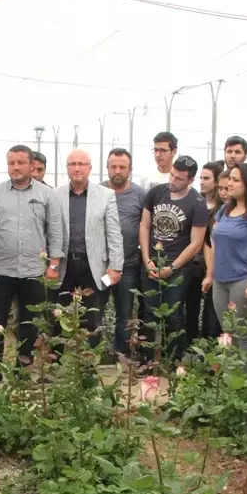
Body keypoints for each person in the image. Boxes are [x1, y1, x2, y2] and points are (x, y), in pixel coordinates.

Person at [0, 145, 62, 389]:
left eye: (20, 163)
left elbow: (55, 232)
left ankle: (22, 376)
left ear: (31, 165)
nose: (15, 167)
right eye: (11, 163)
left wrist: (53, 264)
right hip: (0, 271)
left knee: (29, 327)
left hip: (34, 271)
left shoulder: (47, 195)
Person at [139, 155, 207, 363]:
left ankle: (174, 360)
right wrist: (146, 258)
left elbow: (196, 242)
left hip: (177, 268)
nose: (173, 181)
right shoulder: (155, 193)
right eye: (172, 175)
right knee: (149, 313)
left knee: (174, 315)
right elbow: (144, 225)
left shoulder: (197, 203)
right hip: (152, 262)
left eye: (179, 178)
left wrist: (173, 267)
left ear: (190, 181)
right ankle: (147, 360)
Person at [50, 150, 122, 344]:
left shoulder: (106, 196)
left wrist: (115, 266)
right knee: (58, 319)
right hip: (64, 266)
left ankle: (89, 370)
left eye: (81, 164)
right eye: (72, 164)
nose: (77, 168)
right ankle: (57, 369)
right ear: (67, 169)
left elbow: (114, 234)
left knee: (92, 320)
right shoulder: (55, 195)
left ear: (90, 168)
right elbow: (50, 231)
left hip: (95, 268)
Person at [204, 163, 247, 351]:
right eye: (230, 179)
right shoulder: (225, 210)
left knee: (243, 334)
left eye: (235, 180)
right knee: (227, 332)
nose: (230, 184)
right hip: (221, 280)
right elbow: (215, 244)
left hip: (244, 279)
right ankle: (228, 377)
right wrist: (210, 275)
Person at [101, 148, 147, 357]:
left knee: (125, 312)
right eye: (113, 167)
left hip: (128, 265)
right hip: (100, 266)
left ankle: (123, 354)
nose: (117, 171)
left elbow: (146, 227)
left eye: (122, 167)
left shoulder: (140, 195)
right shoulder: (97, 192)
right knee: (95, 311)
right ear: (107, 168)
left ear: (130, 169)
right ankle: (92, 354)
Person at [187, 160, 224, 343]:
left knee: (211, 309)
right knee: (191, 306)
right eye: (200, 178)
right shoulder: (195, 202)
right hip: (193, 263)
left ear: (217, 181)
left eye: (207, 178)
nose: (202, 182)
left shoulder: (222, 208)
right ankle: (191, 344)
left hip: (212, 265)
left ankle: (209, 345)